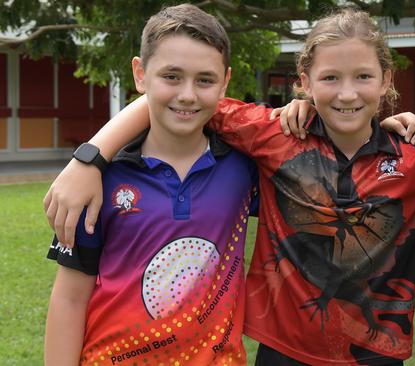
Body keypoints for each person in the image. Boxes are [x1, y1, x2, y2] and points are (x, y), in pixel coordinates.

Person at [44, 8, 415, 365]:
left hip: (376, 352)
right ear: (304, 81)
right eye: (329, 78)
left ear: (386, 81)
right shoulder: (271, 133)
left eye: (363, 77)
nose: (347, 94)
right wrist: (90, 157)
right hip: (281, 347)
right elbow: (175, 97)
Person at [44, 4, 258, 365]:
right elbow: (69, 298)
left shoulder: (246, 168)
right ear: (140, 75)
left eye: (204, 80)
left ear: (225, 82)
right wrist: (90, 160)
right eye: (171, 77)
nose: (187, 94)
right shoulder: (96, 180)